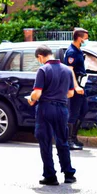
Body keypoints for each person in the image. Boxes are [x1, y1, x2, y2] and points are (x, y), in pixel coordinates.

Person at [28, 45, 76, 185]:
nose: (40, 62)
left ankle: (50, 176)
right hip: (62, 109)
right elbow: (71, 93)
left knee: (45, 142)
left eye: (39, 59)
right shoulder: (67, 70)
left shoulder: (43, 70)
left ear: (41, 56)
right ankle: (68, 174)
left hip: (45, 108)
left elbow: (37, 93)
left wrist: (31, 99)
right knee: (62, 141)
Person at [63, 28, 89, 150]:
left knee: (83, 110)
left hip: (80, 85)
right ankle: (68, 141)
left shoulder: (78, 50)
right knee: (74, 112)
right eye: (86, 37)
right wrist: (75, 86)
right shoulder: (71, 52)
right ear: (80, 38)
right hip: (75, 86)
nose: (87, 39)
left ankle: (74, 137)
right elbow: (70, 70)